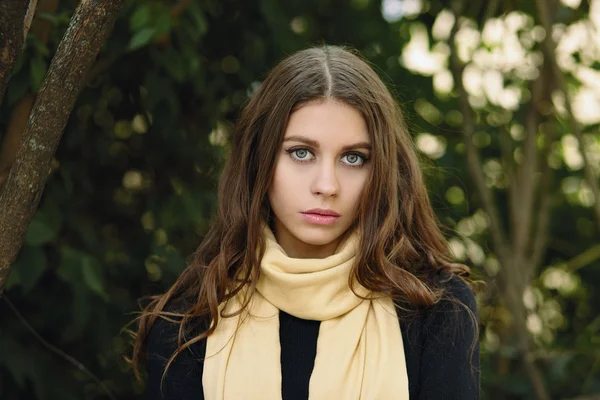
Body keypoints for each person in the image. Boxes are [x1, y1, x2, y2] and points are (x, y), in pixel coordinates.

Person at [130, 45, 480, 400]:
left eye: (354, 158)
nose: (327, 186)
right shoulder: (190, 319)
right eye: (301, 153)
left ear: (382, 171)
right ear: (259, 159)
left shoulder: (436, 308)